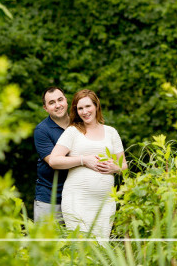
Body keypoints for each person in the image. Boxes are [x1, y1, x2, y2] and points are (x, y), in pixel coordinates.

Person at [47, 89, 126, 241]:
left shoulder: (111, 132)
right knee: (82, 246)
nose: (85, 111)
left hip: (105, 202)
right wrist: (84, 160)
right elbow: (54, 160)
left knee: (101, 249)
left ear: (96, 106)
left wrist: (114, 168)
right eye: (80, 108)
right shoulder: (73, 132)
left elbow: (124, 166)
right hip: (77, 200)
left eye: (88, 106)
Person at [33, 87, 70, 223]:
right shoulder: (42, 130)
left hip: (76, 198)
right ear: (46, 108)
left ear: (66, 101)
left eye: (60, 100)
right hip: (50, 199)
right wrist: (85, 160)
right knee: (46, 243)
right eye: (52, 102)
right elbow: (55, 162)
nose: (58, 105)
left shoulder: (78, 125)